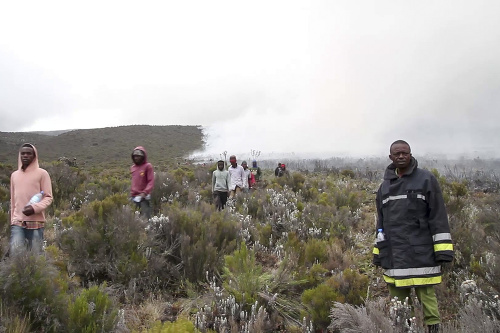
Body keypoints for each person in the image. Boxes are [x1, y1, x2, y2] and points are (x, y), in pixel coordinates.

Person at [372, 140, 453, 333]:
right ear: (390, 157)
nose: (401, 156)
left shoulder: (426, 179)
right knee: (398, 302)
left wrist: (443, 250)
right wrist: (378, 252)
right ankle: (404, 328)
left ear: (410, 154)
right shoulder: (384, 187)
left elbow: (438, 216)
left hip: (422, 251)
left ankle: (434, 328)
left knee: (427, 296)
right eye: (397, 154)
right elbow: (381, 225)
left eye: (404, 153)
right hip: (394, 255)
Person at [9, 143, 53, 254]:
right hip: (18, 222)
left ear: (34, 156)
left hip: (36, 223)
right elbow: (13, 200)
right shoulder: (14, 175)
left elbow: (48, 197)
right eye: (23, 153)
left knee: (35, 256)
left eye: (29, 153)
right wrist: (13, 220)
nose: (25, 156)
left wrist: (34, 208)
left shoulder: (42, 174)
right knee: (16, 254)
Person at [130, 146, 154, 220]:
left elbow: (151, 181)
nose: (136, 158)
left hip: (144, 197)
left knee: (146, 219)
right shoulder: (133, 167)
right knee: (134, 219)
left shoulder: (148, 166)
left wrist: (145, 192)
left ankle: (148, 231)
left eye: (138, 156)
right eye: (135, 156)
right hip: (134, 197)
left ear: (143, 156)